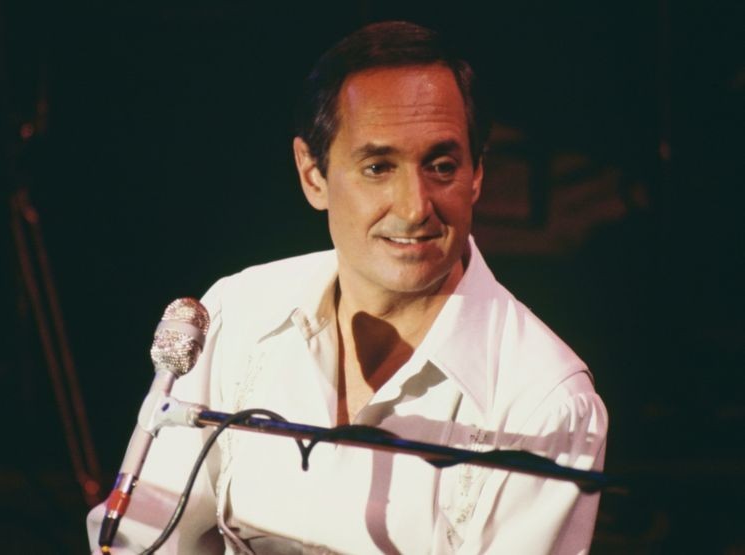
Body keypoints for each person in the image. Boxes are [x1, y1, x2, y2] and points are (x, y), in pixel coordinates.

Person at [88, 21, 607, 554]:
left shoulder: (544, 405)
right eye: (378, 167)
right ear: (313, 176)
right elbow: (143, 538)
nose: (414, 207)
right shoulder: (237, 313)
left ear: (477, 174)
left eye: (442, 165)